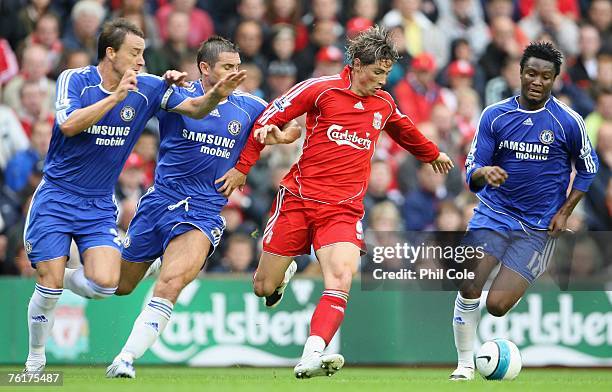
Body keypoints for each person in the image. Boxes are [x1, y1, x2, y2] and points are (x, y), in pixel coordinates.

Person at [216, 26, 454, 378]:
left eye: (387, 74)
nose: (382, 80)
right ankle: (282, 277)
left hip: (343, 209)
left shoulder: (384, 103)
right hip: (298, 199)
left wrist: (433, 154)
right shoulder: (320, 89)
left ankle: (312, 353)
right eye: (377, 73)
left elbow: (405, 131)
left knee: (341, 277)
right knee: (262, 286)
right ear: (357, 65)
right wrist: (242, 168)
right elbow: (269, 118)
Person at [23, 19, 246, 373]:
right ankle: (35, 359)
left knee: (108, 284)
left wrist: (217, 93)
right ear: (111, 53)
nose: (142, 60)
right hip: (57, 196)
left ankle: (58, 276)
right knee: (49, 287)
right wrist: (117, 97)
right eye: (135, 52)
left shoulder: (149, 87)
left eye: (143, 53)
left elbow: (195, 109)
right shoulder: (75, 79)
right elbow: (67, 125)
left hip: (98, 203)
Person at [105, 36, 299, 378]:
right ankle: (149, 264)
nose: (236, 74)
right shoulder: (178, 92)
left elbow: (293, 125)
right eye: (228, 67)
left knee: (172, 282)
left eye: (238, 67)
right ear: (204, 68)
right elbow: (176, 102)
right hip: (159, 202)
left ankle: (125, 359)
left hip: (204, 210)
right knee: (119, 286)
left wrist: (279, 136)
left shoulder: (251, 105)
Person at [450, 42, 599, 381]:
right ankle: (464, 363)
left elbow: (589, 169)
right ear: (520, 74)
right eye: (531, 73)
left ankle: (519, 278)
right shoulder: (495, 115)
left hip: (538, 228)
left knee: (496, 307)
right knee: (469, 281)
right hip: (494, 212)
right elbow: (472, 168)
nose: (537, 81)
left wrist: (564, 212)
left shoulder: (568, 122)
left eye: (545, 76)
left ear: (555, 80)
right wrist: (483, 173)